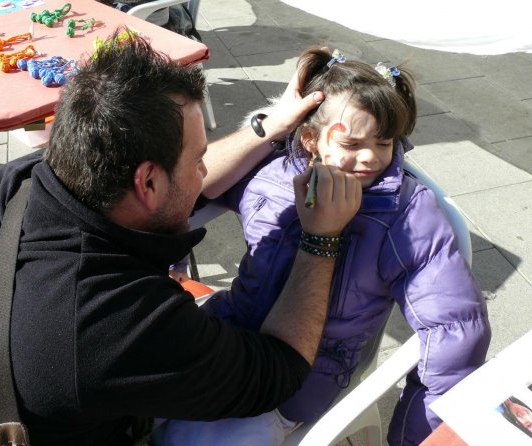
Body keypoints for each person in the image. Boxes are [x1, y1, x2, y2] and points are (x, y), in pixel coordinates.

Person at [0, 31, 364, 446]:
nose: (204, 173)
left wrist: (264, 126)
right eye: (198, 160)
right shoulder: (119, 325)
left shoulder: (19, 182)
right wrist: (321, 239)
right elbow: (279, 373)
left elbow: (173, 192)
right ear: (147, 181)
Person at [159, 47, 492, 445]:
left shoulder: (405, 214)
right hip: (229, 336)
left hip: (301, 384)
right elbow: (186, 196)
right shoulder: (274, 173)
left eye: (384, 143)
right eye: (351, 145)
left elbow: (454, 331)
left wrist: (416, 436)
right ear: (311, 140)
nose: (371, 158)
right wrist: (170, 257)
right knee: (127, 404)